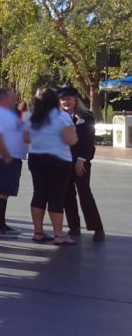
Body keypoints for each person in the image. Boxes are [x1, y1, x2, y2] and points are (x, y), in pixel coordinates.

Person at [25, 87, 77, 245]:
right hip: (59, 159)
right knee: (56, 196)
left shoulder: (31, 117)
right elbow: (71, 140)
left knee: (39, 194)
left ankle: (38, 232)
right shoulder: (62, 116)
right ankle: (58, 235)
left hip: (36, 158)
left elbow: (25, 138)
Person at [58, 86, 104, 241]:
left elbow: (89, 141)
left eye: (68, 98)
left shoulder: (86, 116)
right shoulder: (59, 117)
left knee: (84, 194)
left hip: (81, 161)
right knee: (67, 194)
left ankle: (97, 228)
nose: (66, 101)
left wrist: (81, 160)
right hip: (64, 161)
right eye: (63, 99)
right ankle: (74, 227)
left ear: (75, 99)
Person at [0, 87, 28, 239]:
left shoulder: (3, 113)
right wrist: (6, 155)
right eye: (12, 97)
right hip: (4, 158)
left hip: (9, 157)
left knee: (5, 191)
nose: (14, 99)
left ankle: (2, 224)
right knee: (2, 191)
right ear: (3, 98)